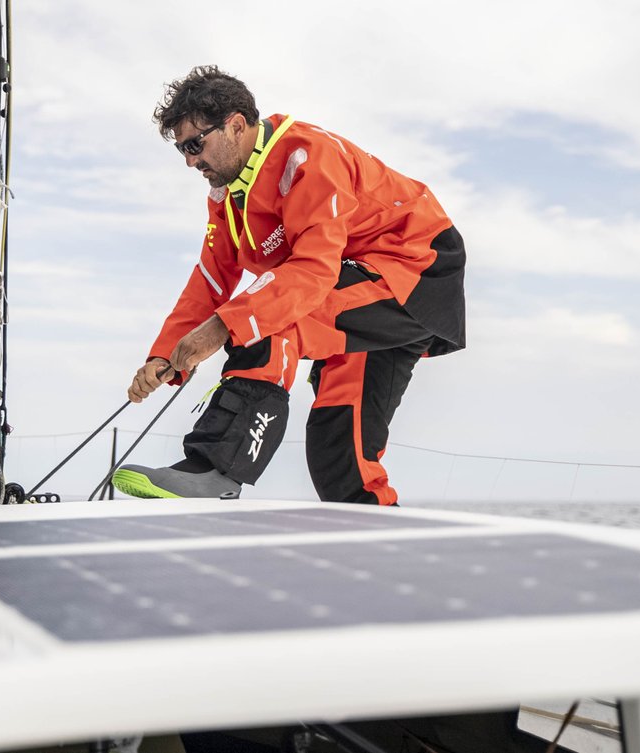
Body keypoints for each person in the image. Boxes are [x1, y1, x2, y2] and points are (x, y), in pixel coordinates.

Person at [111, 66, 465, 504]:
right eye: (182, 150)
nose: (189, 161)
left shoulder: (307, 157)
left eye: (194, 144)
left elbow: (312, 272)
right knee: (341, 447)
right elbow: (210, 278)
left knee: (267, 321)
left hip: (412, 268)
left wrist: (224, 327)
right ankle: (376, 545)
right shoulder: (228, 196)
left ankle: (215, 469)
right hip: (356, 280)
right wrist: (165, 356)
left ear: (236, 125)